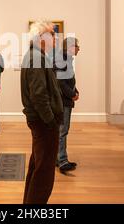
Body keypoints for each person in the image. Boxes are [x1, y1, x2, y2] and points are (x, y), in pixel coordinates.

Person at [21, 21, 64, 204]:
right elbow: (39, 95)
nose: (55, 38)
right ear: (41, 38)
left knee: (37, 165)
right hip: (43, 122)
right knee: (44, 171)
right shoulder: (36, 58)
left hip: (41, 121)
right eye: (52, 34)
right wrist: (50, 121)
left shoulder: (36, 56)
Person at [54, 37, 80, 174]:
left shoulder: (65, 59)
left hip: (65, 99)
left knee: (62, 130)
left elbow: (68, 80)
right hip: (63, 101)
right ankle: (62, 160)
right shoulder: (62, 60)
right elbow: (61, 83)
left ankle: (58, 159)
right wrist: (72, 94)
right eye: (77, 45)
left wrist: (74, 90)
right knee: (62, 131)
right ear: (70, 47)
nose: (78, 48)